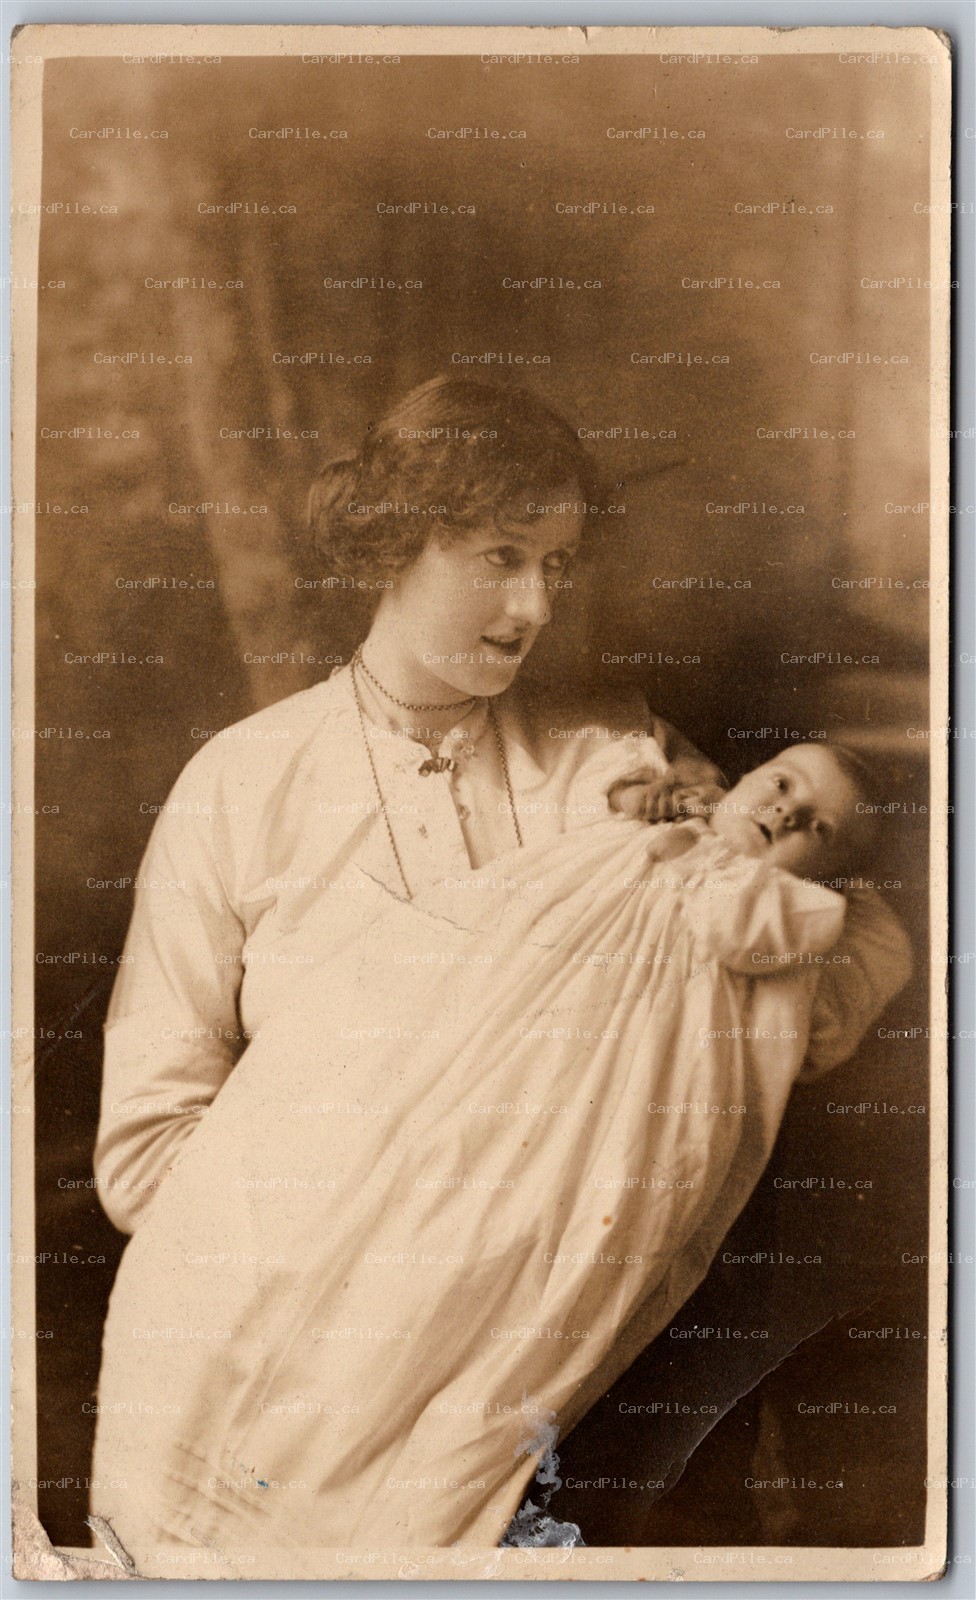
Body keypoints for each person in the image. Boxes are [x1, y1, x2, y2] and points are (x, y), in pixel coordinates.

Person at [90, 733, 910, 1569]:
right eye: (781, 784)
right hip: (485, 1033)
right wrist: (673, 794)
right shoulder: (639, 809)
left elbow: (854, 962)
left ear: (833, 873)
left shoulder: (800, 926)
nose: (785, 811)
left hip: (606, 1113)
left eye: (818, 827)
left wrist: (810, 878)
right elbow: (610, 778)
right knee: (361, 1176)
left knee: (485, 1275)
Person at [94, 374, 724, 1237]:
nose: (534, 606)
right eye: (503, 556)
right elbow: (145, 1155)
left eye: (555, 565)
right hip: (297, 1304)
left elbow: (747, 989)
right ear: (398, 541)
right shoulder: (239, 786)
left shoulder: (614, 758)